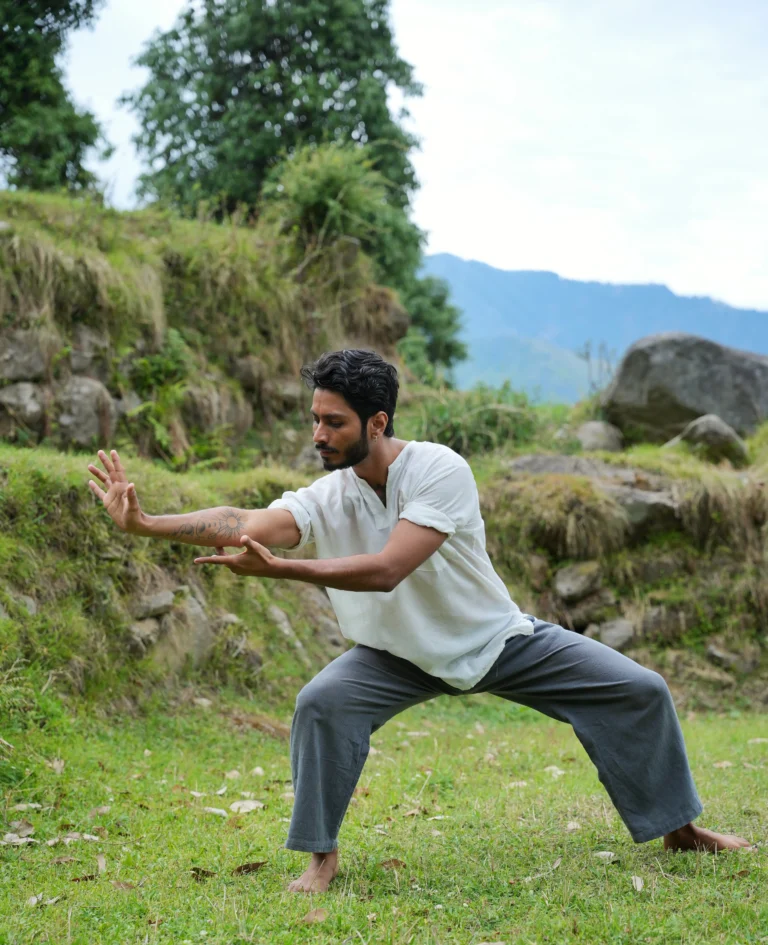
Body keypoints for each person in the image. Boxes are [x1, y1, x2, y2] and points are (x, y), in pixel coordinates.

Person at [87, 348, 751, 895]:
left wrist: (285, 572)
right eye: (314, 419)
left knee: (640, 689)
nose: (317, 435)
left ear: (377, 422)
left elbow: (386, 568)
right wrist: (145, 523)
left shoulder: (439, 469)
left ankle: (680, 827)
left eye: (333, 422)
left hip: (495, 639)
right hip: (395, 654)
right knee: (322, 702)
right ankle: (320, 856)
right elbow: (245, 521)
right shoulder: (328, 491)